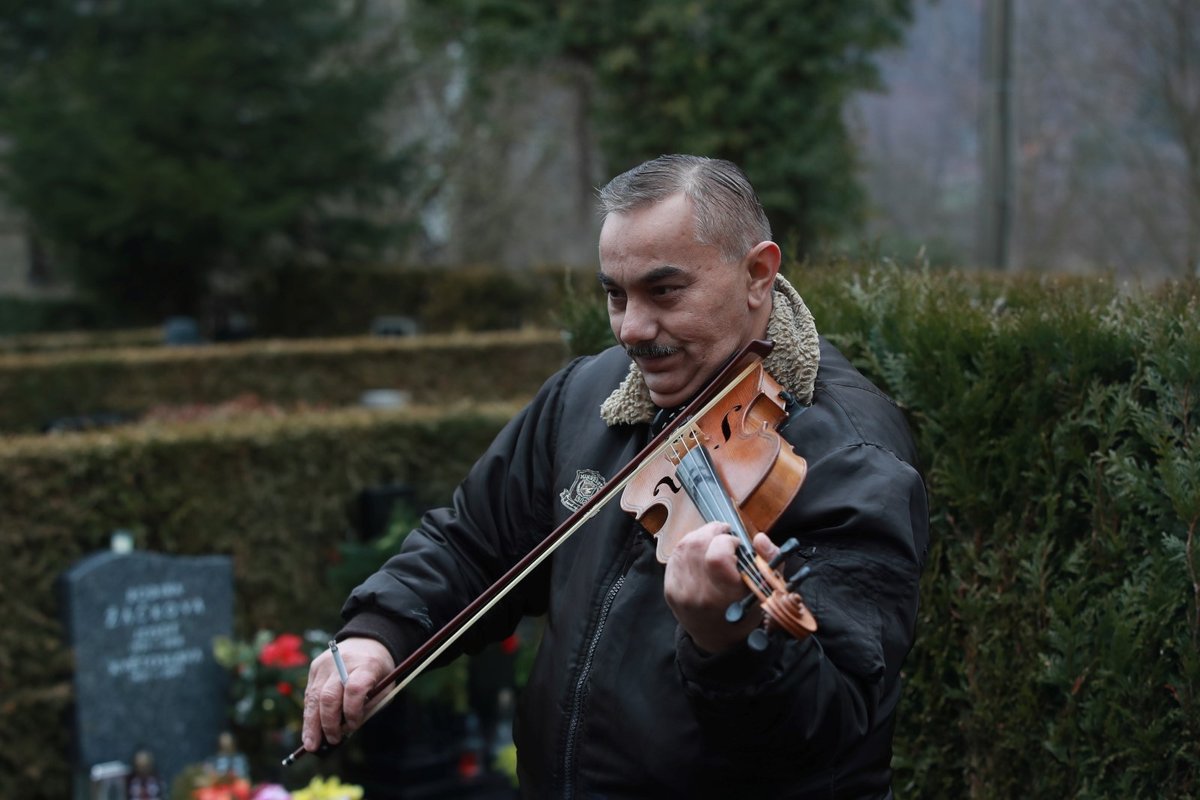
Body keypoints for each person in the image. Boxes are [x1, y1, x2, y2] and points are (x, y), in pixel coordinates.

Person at [302, 154, 929, 798]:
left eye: (664, 291)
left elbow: (834, 728)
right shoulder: (584, 395)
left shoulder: (852, 457)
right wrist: (380, 634)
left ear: (757, 275)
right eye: (615, 294)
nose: (631, 328)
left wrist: (729, 647)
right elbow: (472, 544)